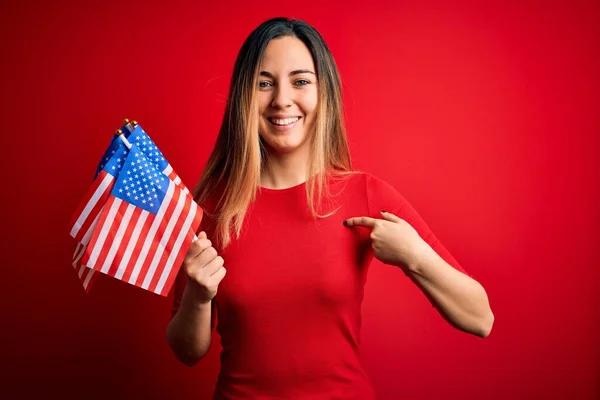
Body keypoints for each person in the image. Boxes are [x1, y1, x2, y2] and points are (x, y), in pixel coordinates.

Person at [166, 17, 494, 400]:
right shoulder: (209, 208)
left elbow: (480, 318)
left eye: (301, 81)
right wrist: (198, 297)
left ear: (325, 94)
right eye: (264, 83)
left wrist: (414, 256)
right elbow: (186, 351)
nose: (282, 100)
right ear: (244, 96)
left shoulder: (367, 195)